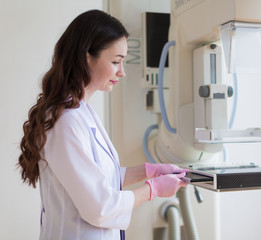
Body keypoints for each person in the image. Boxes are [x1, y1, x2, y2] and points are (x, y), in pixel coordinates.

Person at [17, 9, 188, 240]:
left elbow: (98, 177)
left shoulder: (82, 112)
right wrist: (153, 189)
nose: (122, 72)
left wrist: (149, 170)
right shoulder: (66, 122)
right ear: (87, 57)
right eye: (116, 61)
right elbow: (100, 207)